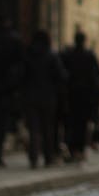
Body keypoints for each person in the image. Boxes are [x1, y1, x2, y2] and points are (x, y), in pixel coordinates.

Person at [21, 29, 67, 168]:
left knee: (34, 128)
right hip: (48, 97)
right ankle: (48, 157)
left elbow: (21, 75)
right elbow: (62, 76)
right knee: (48, 128)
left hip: (30, 96)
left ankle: (33, 157)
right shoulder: (51, 56)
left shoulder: (28, 55)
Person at [61, 30, 99, 162]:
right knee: (82, 124)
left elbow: (62, 73)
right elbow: (98, 74)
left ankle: (72, 148)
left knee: (71, 123)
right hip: (86, 97)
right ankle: (79, 150)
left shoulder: (68, 55)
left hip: (71, 95)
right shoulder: (89, 56)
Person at [0, 15, 25, 166]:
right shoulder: (14, 40)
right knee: (1, 123)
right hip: (6, 89)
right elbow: (20, 65)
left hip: (2, 87)